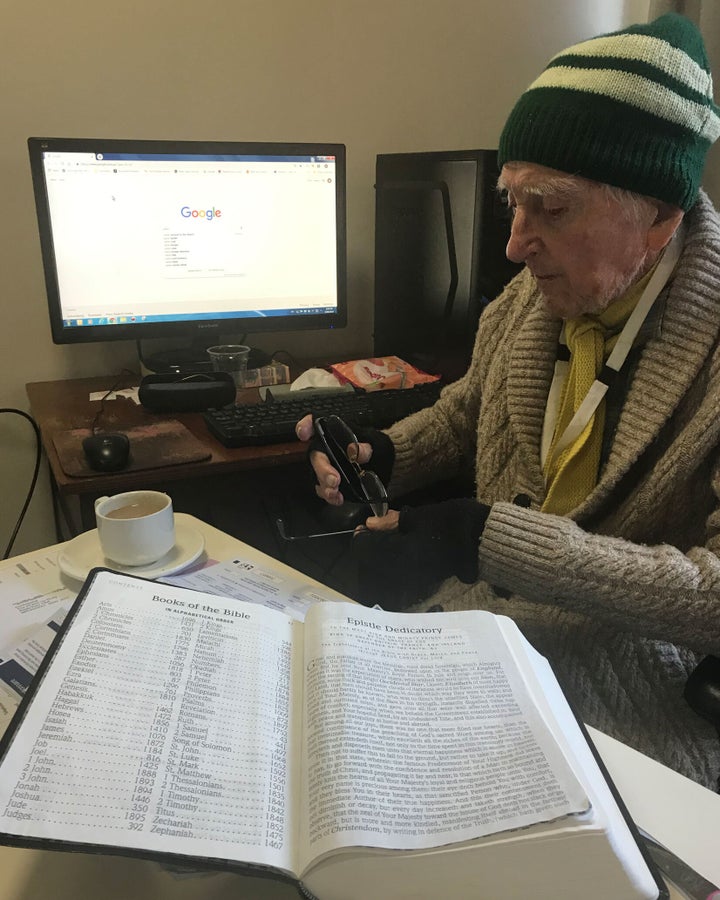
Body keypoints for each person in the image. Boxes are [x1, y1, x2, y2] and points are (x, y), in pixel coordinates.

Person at [296, 12, 720, 791]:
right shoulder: (530, 299)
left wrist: (491, 539)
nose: (514, 244)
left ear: (660, 215)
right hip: (492, 643)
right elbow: (468, 413)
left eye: (551, 208)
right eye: (511, 202)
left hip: (637, 702)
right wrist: (382, 451)